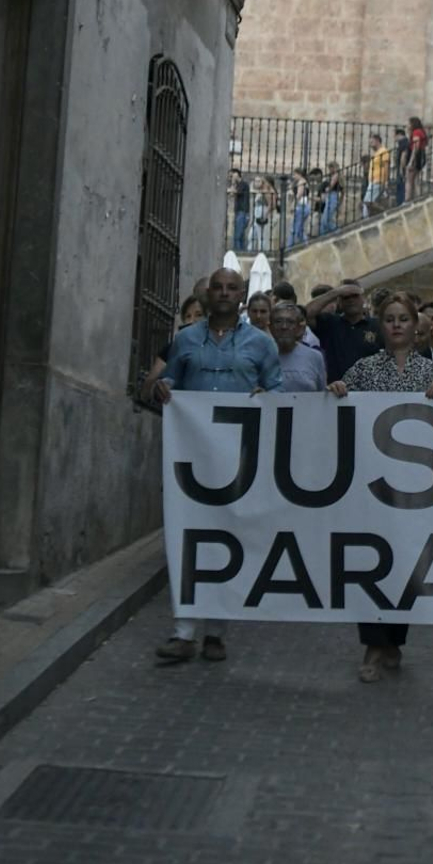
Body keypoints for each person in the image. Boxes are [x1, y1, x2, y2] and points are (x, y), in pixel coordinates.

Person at [150, 268, 283, 664]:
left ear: (242, 296)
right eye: (218, 287)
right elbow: (167, 382)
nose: (224, 293)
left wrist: (265, 397)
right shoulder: (185, 340)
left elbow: (277, 390)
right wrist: (163, 388)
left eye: (232, 288)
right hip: (192, 457)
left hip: (239, 459)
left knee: (229, 539)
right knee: (188, 538)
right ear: (208, 293)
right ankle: (183, 631)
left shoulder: (262, 344)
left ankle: (216, 632)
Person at [327, 294, 433, 682]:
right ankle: (373, 644)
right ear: (380, 327)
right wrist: (337, 390)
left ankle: (394, 639)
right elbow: (338, 403)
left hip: (417, 488)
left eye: (403, 319)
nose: (396, 325)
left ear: (416, 326)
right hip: (370, 482)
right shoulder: (363, 369)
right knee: (372, 561)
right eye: (389, 319)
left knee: (407, 563)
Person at [306, 279, 382, 381]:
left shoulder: (378, 325)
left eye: (355, 295)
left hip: (369, 388)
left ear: (363, 298)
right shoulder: (329, 323)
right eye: (345, 297)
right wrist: (336, 292)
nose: (351, 300)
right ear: (339, 301)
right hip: (337, 388)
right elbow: (306, 314)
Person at [269, 301, 327, 392]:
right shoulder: (259, 356)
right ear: (270, 327)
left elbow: (323, 394)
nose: (284, 326)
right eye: (278, 321)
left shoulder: (315, 357)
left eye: (290, 322)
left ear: (299, 328)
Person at [247, 175, 275, 252]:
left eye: (259, 181)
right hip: (256, 214)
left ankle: (262, 252)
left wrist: (265, 215)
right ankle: (250, 250)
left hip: (262, 212)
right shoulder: (258, 191)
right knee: (251, 235)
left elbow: (271, 204)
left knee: (261, 236)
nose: (257, 183)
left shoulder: (266, 191)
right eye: (256, 181)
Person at [364, 134, 389, 217]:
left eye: (372, 142)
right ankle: (369, 217)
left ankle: (385, 212)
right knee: (368, 202)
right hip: (373, 180)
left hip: (378, 180)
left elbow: (386, 166)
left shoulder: (383, 151)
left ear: (377, 140)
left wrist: (386, 181)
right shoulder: (376, 153)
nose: (370, 144)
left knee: (368, 201)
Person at [228, 168, 249, 251]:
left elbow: (235, 192)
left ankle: (238, 252)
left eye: (232, 175)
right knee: (240, 235)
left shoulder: (243, 184)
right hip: (239, 211)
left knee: (237, 236)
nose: (231, 177)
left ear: (236, 174)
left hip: (242, 212)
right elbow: (232, 194)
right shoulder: (239, 185)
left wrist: (233, 183)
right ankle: (241, 251)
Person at [320, 160, 343, 235]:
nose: (329, 170)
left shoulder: (336, 175)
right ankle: (323, 235)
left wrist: (326, 189)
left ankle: (338, 232)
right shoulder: (335, 176)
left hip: (333, 196)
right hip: (331, 196)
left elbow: (331, 186)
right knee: (325, 220)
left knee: (325, 220)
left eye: (330, 168)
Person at [288, 172, 311, 246]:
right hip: (304, 206)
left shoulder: (302, 182)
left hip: (301, 206)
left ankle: (289, 247)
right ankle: (305, 244)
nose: (293, 176)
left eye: (295, 174)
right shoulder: (300, 182)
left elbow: (299, 195)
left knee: (294, 229)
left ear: (299, 174)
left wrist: (293, 205)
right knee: (300, 229)